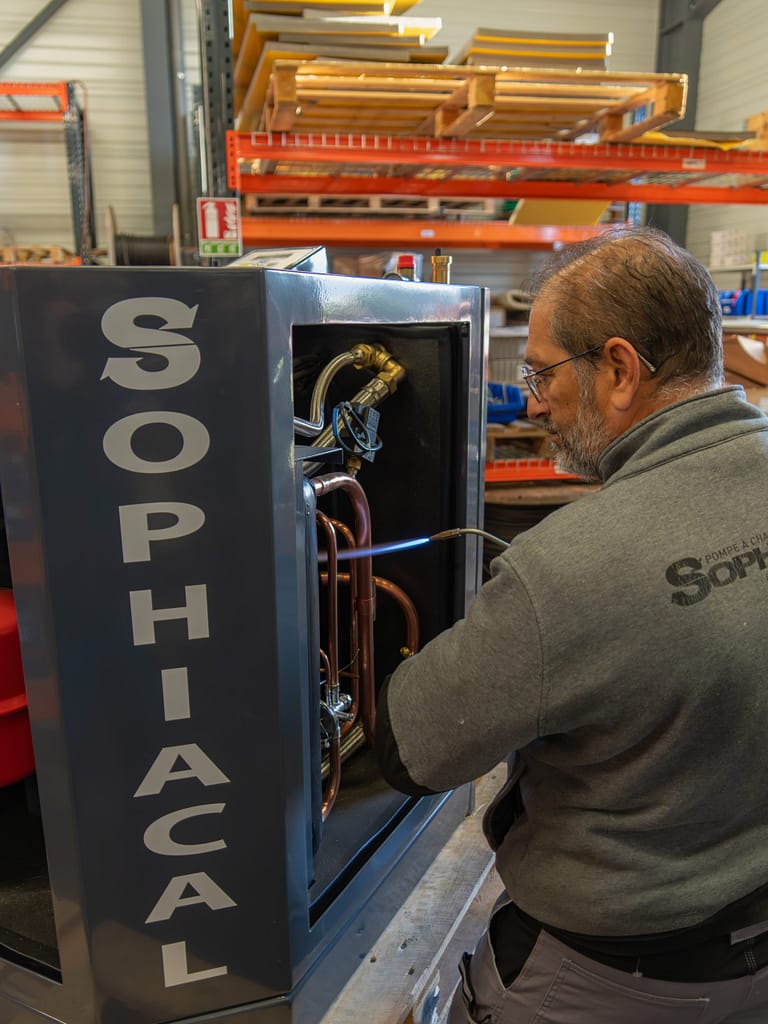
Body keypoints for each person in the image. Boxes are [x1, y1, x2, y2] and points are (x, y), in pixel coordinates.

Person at [375, 224, 768, 1023]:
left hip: (612, 980)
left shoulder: (567, 569)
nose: (531, 399)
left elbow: (411, 748)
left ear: (620, 370)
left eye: (542, 372)